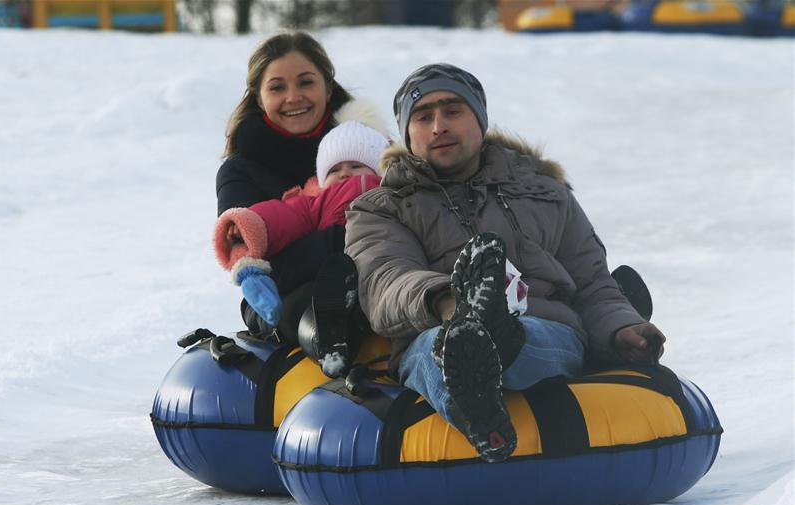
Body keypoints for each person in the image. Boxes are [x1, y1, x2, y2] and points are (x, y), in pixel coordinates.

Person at [344, 64, 666, 464]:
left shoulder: (546, 193)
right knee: (442, 347)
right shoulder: (382, 208)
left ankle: (498, 340)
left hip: (542, 328)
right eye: (423, 117)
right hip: (434, 331)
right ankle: (477, 400)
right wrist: (451, 303)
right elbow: (386, 280)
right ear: (408, 134)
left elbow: (592, 282)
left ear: (480, 119)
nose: (438, 126)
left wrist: (622, 328)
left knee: (533, 336)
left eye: (452, 111)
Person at [213, 117, 390, 375]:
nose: (344, 173)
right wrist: (247, 225)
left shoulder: (393, 190)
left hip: (383, 271)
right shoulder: (315, 201)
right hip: (335, 276)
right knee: (316, 301)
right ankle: (325, 342)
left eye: (356, 165)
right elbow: (284, 217)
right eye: (334, 169)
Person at [217, 31, 358, 347]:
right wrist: (345, 240)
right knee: (308, 304)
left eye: (306, 82)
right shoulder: (241, 170)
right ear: (258, 98)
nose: (293, 97)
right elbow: (261, 261)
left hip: (379, 277)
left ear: (328, 87)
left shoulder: (364, 147)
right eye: (277, 87)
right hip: (287, 301)